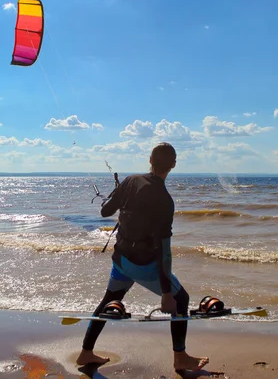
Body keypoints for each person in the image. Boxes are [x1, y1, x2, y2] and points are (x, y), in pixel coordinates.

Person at [76, 142, 209, 371]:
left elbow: (105, 211)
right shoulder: (165, 201)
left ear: (149, 159)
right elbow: (164, 252)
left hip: (121, 261)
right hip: (142, 264)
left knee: (109, 300)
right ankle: (180, 358)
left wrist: (117, 195)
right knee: (182, 300)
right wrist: (167, 293)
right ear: (174, 165)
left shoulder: (130, 181)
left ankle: (86, 352)